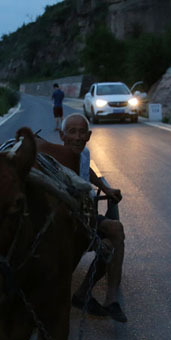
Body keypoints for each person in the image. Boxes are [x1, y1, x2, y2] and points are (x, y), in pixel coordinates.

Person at [59, 113, 127, 322]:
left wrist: (104, 186)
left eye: (82, 132)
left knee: (116, 230)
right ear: (62, 135)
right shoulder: (54, 157)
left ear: (88, 136)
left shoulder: (84, 153)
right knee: (105, 245)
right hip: (62, 219)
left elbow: (85, 170)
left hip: (86, 216)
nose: (78, 137)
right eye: (72, 132)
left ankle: (109, 298)